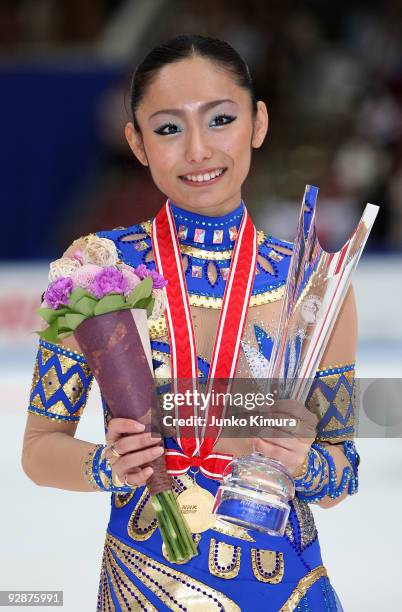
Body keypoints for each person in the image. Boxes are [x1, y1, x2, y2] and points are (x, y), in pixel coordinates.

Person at [22, 35, 359, 611]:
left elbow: (343, 471)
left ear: (258, 123)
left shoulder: (314, 283)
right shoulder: (96, 270)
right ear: (137, 142)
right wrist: (106, 465)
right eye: (169, 128)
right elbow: (39, 450)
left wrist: (307, 464)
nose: (199, 150)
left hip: (286, 588)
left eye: (221, 119)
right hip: (143, 585)